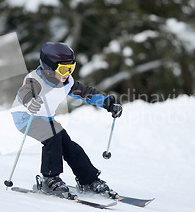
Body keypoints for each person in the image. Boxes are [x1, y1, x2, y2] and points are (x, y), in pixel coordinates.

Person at [11, 42, 123, 199]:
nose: (67, 73)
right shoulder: (35, 80)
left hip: (46, 118)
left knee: (70, 147)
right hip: (26, 118)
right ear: (49, 68)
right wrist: (30, 102)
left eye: (71, 68)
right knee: (52, 138)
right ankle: (49, 179)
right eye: (63, 69)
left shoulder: (66, 81)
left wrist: (106, 102)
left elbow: (85, 92)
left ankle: (88, 179)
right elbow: (25, 93)